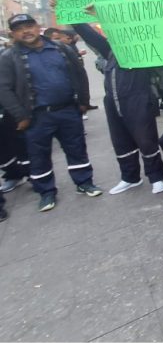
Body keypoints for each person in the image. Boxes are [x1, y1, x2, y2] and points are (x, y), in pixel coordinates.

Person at [50, 0, 163, 196]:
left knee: (146, 140)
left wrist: (121, 8)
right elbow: (86, 32)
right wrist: (62, 8)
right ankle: (130, 178)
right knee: (121, 141)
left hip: (137, 100)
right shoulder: (109, 49)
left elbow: (141, 24)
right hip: (113, 101)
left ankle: (156, 178)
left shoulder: (143, 50)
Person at [0, 14, 103, 212]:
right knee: (39, 156)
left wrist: (83, 101)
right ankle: (46, 193)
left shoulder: (60, 48)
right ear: (14, 34)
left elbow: (79, 74)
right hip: (36, 117)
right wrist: (20, 115)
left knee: (77, 149)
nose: (26, 31)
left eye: (30, 26)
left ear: (38, 27)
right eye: (20, 29)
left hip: (67, 110)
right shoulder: (8, 57)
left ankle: (84, 182)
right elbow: (4, 89)